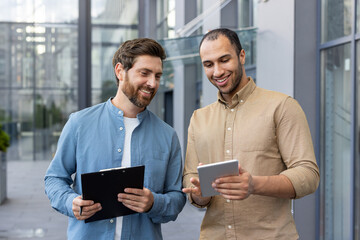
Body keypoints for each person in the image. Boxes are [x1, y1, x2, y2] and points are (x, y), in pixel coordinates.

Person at [182, 28, 320, 239]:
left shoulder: (282, 106)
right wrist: (200, 196)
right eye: (208, 64)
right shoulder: (198, 119)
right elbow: (190, 178)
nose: (217, 71)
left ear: (242, 56)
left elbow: (308, 174)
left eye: (224, 60)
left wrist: (254, 184)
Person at [45, 38, 186, 240]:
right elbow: (54, 178)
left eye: (157, 75)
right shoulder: (79, 123)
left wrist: (153, 203)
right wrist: (71, 202)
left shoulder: (168, 136)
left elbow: (177, 197)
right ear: (120, 71)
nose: (152, 83)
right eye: (144, 73)